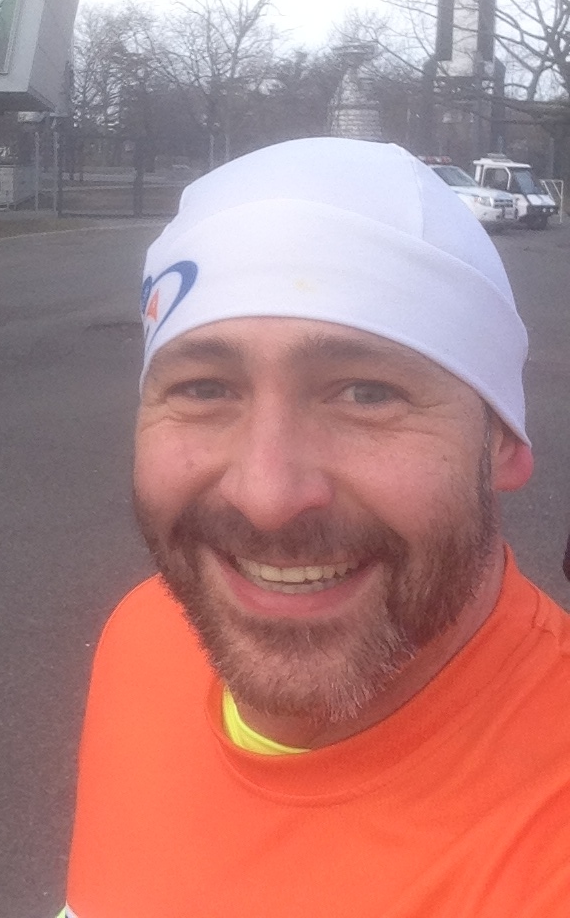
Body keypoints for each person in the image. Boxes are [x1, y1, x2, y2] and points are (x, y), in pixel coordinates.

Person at [62, 137, 570, 918]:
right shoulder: (145, 635)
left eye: (367, 393)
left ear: (501, 439)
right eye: (205, 388)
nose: (267, 496)